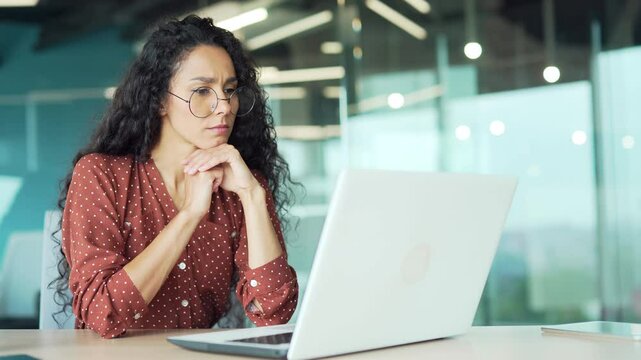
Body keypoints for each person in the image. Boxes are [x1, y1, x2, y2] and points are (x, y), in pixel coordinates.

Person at [54, 15, 299, 339]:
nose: (224, 106)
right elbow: (104, 314)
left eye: (229, 90)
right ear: (158, 100)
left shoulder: (242, 184)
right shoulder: (100, 175)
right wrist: (189, 215)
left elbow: (274, 314)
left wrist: (253, 196)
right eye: (202, 90)